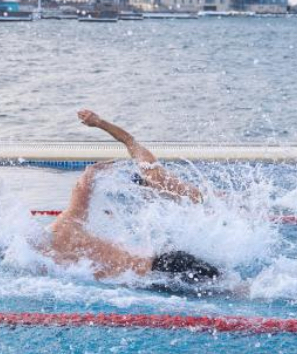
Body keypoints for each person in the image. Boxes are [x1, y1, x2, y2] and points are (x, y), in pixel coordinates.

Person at [43, 110, 222, 286]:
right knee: (228, 286)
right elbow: (90, 175)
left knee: (227, 288)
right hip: (165, 265)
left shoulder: (54, 258)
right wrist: (98, 124)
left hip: (157, 273)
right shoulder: (67, 225)